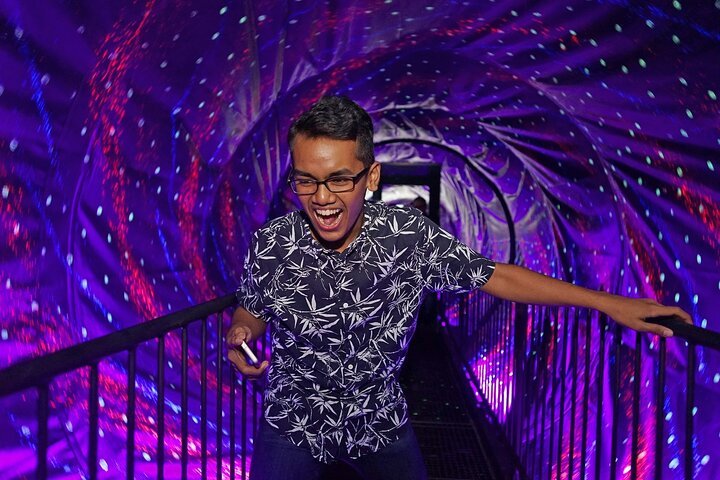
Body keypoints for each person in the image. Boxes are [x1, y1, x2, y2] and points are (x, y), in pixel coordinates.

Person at [226, 96, 691, 480]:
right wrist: (241, 332)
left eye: (339, 179)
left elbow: (498, 275)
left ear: (371, 177)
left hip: (378, 423)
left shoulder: (408, 236)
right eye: (306, 181)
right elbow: (252, 309)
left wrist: (609, 303)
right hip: (291, 423)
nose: (323, 197)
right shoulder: (273, 241)